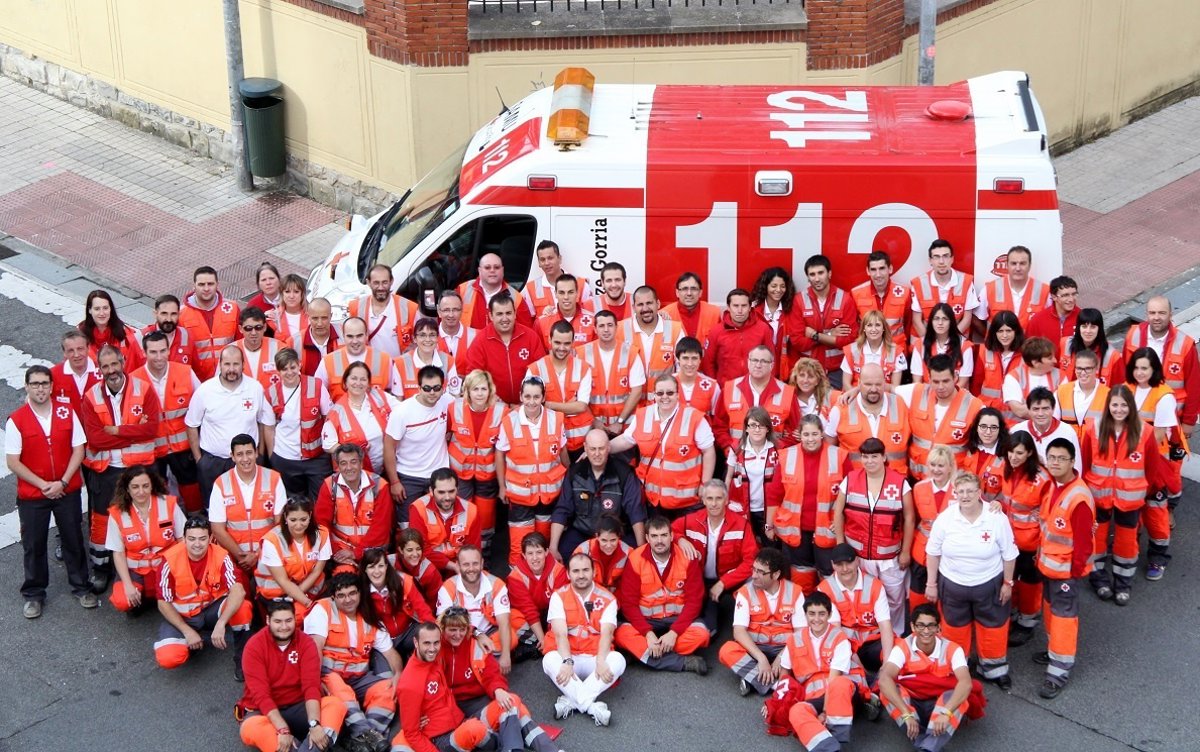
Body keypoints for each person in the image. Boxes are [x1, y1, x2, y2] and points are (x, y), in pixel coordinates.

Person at [7, 364, 94, 617]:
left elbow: (79, 449)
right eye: (35, 384)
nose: (40, 389)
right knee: (33, 545)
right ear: (26, 387)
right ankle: (34, 594)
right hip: (33, 496)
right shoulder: (17, 420)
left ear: (52, 386)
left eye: (44, 383)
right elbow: (13, 462)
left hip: (66, 491)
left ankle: (81, 587)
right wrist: (43, 485)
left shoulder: (67, 413)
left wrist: (63, 483)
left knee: (73, 540)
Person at [924, 471, 1018, 690]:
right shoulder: (945, 519)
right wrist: (931, 584)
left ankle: (994, 669)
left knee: (993, 627)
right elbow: (933, 552)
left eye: (970, 491)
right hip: (953, 585)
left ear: (979, 492)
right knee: (954, 628)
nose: (965, 496)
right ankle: (957, 668)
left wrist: (1008, 583)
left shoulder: (996, 518)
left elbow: (1009, 554)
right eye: (961, 492)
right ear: (955, 493)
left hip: (989, 584)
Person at [79, 345, 162, 591]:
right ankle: (101, 569)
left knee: (143, 516)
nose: (111, 370)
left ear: (123, 362)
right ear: (100, 369)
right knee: (102, 519)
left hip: (139, 469)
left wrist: (116, 431)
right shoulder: (91, 396)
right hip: (106, 470)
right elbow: (95, 439)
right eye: (105, 366)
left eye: (114, 364)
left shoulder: (143, 389)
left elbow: (151, 429)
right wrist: (133, 433)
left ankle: (144, 567)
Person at [1082, 384, 1165, 604]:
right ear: (1108, 406)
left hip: (1130, 498)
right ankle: (1098, 579)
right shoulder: (1094, 428)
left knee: (1126, 543)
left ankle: (1123, 583)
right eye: (1115, 405)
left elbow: (1152, 467)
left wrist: (1142, 489)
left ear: (1131, 406)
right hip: (1098, 494)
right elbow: (1085, 461)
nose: (1119, 410)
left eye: (1124, 405)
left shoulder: (1145, 431)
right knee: (1096, 539)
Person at [436, 607, 561, 751]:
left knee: (509, 703)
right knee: (515, 711)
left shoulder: (475, 643)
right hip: (453, 710)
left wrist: (498, 690)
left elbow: (492, 672)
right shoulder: (434, 647)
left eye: (462, 630)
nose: (458, 635)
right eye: (452, 630)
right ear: (442, 629)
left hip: (479, 702)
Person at [390, 622, 527, 752]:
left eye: (436, 643)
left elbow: (453, 623)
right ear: (416, 643)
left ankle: (512, 748)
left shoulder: (434, 657)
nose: (432, 649)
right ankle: (503, 742)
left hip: (460, 722)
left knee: (511, 700)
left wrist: (477, 633)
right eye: (426, 643)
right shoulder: (409, 684)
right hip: (441, 738)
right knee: (475, 729)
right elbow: (411, 734)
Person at [1123, 296, 1199, 527]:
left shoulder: (1185, 344)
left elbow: (1194, 385)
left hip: (1173, 422)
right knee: (1138, 465)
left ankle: (1168, 508)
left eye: (1161, 313)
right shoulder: (1133, 335)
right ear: (1146, 314)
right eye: (1152, 313)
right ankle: (1140, 508)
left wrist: (1189, 422)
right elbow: (1125, 374)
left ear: (1170, 315)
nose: (1156, 318)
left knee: (1171, 469)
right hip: (1140, 420)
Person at [304, 573, 400, 751]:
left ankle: (362, 739)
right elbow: (314, 649)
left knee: (387, 690)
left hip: (360, 677)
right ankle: (368, 736)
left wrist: (398, 675)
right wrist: (315, 681)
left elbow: (390, 653)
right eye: (341, 595)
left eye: (352, 593)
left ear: (360, 593)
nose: (348, 600)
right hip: (328, 674)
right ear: (333, 597)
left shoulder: (369, 617)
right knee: (342, 692)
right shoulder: (323, 609)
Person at [236, 599, 344, 752]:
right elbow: (261, 695)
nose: (284, 627)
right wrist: (282, 729)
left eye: (288, 620)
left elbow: (311, 687)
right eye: (278, 621)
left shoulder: (306, 643)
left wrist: (314, 724)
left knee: (335, 705)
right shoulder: (254, 646)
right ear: (268, 620)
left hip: (299, 705)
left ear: (295, 619)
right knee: (250, 728)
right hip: (264, 712)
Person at [1032, 438, 1095, 699]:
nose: (1055, 462)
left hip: (1065, 572)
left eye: (1061, 458)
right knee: (1051, 612)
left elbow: (1084, 543)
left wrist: (1074, 573)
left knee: (1063, 620)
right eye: (1052, 458)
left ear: (1072, 462)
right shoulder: (1054, 486)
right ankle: (1054, 652)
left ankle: (1058, 672)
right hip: (1050, 567)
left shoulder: (1078, 497)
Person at [832, 437, 914, 629]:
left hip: (889, 558)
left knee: (894, 599)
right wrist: (840, 544)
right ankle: (871, 634)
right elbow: (838, 512)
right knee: (865, 597)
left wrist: (905, 551)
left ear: (884, 457)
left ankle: (895, 634)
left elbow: (909, 518)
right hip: (859, 556)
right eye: (865, 457)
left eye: (874, 456)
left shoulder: (900, 483)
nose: (869, 461)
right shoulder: (850, 480)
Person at [765, 591, 862, 752]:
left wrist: (825, 712)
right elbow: (785, 673)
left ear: (829, 614)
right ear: (805, 615)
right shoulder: (794, 639)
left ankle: (835, 734)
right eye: (812, 614)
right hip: (814, 696)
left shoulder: (840, 638)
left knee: (839, 684)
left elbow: (834, 678)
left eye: (821, 614)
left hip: (842, 697)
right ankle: (829, 748)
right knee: (796, 711)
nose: (816, 619)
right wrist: (778, 700)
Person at [154, 515, 252, 673]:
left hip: (211, 613)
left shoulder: (221, 555)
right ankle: (192, 641)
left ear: (211, 538)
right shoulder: (169, 560)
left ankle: (243, 660)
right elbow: (163, 603)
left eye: (202, 539)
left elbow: (238, 590)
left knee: (243, 608)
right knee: (169, 657)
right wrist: (187, 631)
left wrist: (222, 623)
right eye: (191, 539)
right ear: (184, 539)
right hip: (184, 618)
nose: (197, 544)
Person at [610, 374, 717, 517]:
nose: (665, 397)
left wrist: (705, 484)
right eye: (660, 393)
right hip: (652, 499)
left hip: (687, 501)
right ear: (654, 395)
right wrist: (602, 448)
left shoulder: (694, 417)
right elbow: (626, 440)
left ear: (678, 394)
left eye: (670, 393)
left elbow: (709, 451)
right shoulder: (643, 415)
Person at [614, 516, 711, 674]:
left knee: (701, 634)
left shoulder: (687, 557)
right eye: (654, 536)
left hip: (677, 619)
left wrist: (674, 633)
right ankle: (683, 662)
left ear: (672, 536)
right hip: (646, 620)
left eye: (664, 535)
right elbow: (629, 604)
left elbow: (695, 601)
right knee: (621, 634)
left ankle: (641, 654)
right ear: (647, 538)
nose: (659, 541)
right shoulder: (635, 559)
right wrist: (648, 634)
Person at [877, 603, 975, 752]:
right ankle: (928, 743)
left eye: (931, 626)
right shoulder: (903, 647)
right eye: (921, 626)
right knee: (887, 691)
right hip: (912, 705)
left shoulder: (953, 649)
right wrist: (906, 714)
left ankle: (927, 747)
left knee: (959, 698)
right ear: (913, 627)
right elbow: (884, 679)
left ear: (938, 628)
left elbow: (966, 683)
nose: (926, 631)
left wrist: (946, 713)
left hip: (939, 706)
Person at [543, 552, 626, 725]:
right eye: (576, 571)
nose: (581, 575)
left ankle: (571, 701)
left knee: (618, 660)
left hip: (594, 658)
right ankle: (592, 707)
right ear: (568, 574)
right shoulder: (558, 596)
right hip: (568, 657)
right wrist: (567, 661)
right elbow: (560, 634)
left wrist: (601, 661)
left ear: (594, 572)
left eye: (585, 570)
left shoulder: (608, 599)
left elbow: (607, 634)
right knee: (549, 659)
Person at [185, 345, 276, 502]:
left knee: (248, 502)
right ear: (220, 365)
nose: (231, 369)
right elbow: (191, 425)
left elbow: (264, 421)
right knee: (213, 505)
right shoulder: (205, 391)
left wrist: (259, 454)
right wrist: (200, 460)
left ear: (243, 365)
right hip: (213, 462)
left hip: (247, 460)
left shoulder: (255, 388)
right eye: (227, 364)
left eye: (236, 364)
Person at [495, 376, 569, 564]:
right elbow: (500, 454)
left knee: (543, 545)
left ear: (543, 397)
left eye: (536, 397)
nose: (532, 402)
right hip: (520, 495)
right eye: (527, 396)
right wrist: (502, 487)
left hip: (549, 495)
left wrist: (570, 480)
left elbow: (563, 453)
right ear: (521, 396)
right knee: (519, 546)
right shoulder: (509, 421)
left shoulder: (556, 419)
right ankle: (517, 580)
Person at [773, 414, 848, 590]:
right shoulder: (787, 456)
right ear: (800, 435)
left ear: (822, 433)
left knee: (829, 576)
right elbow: (774, 494)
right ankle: (804, 605)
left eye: (814, 434)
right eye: (806, 434)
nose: (810, 439)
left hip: (828, 529)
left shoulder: (839, 456)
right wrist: (770, 524)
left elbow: (850, 492)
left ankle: (829, 606)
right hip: (796, 530)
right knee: (801, 574)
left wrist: (842, 518)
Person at [672, 480, 758, 632]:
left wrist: (723, 583)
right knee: (710, 628)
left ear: (726, 500)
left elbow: (751, 562)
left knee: (755, 579)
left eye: (718, 498)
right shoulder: (691, 520)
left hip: (729, 581)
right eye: (710, 498)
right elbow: (669, 530)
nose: (714, 504)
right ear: (703, 500)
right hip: (699, 581)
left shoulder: (741, 525)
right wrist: (680, 539)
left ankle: (756, 623)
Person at [550, 428, 646, 562]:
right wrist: (553, 547)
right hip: (582, 533)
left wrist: (641, 548)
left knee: (634, 559)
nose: (597, 454)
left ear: (608, 448)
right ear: (585, 448)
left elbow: (635, 512)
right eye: (592, 449)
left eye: (601, 449)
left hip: (615, 535)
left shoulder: (624, 474)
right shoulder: (575, 473)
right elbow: (562, 510)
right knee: (563, 553)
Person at [1126, 348, 1181, 580]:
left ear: (1154, 369)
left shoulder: (1164, 395)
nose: (1139, 372)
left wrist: (1133, 453)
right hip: (1129, 460)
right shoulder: (1127, 389)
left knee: (1155, 511)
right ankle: (1129, 549)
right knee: (1131, 508)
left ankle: (1158, 558)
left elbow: (1158, 434)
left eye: (1144, 368)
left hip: (1153, 462)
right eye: (1136, 368)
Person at [209, 434, 287, 594]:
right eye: (239, 454)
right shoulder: (221, 483)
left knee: (270, 598)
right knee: (240, 601)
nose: (245, 459)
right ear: (232, 456)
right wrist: (241, 557)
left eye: (249, 453)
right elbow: (217, 529)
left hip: (268, 555)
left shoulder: (274, 478)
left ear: (256, 452)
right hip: (234, 558)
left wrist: (258, 554)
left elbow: (281, 524)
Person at [135, 331, 203, 512]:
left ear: (168, 350)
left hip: (183, 447)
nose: (159, 357)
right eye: (153, 352)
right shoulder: (134, 380)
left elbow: (203, 404)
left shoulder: (185, 372)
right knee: (157, 494)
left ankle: (196, 520)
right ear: (144, 353)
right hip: (153, 450)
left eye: (162, 351)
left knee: (192, 489)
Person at [718, 548, 797, 696]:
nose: (754, 575)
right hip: (755, 648)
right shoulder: (745, 592)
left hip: (784, 648)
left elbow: (801, 633)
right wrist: (761, 658)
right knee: (727, 651)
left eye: (760, 572)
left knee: (804, 652)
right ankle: (776, 686)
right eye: (753, 569)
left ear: (776, 574)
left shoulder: (795, 592)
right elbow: (739, 632)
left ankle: (752, 679)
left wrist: (782, 657)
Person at [106, 465, 184, 613]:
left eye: (145, 486)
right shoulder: (117, 513)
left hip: (167, 566)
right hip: (136, 570)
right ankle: (145, 596)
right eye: (135, 487)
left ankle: (161, 594)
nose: (141, 492)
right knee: (122, 600)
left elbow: (183, 539)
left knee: (187, 594)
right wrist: (128, 586)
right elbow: (118, 553)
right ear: (127, 489)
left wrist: (184, 572)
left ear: (152, 485)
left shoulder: (169, 504)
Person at [997, 431, 1050, 647]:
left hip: (1031, 542)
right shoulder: (1006, 469)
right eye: (1011, 451)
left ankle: (1027, 622)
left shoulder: (1042, 478)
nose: (1013, 456)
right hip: (1009, 540)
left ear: (1029, 453)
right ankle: (1013, 614)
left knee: (1030, 584)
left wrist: (1042, 546)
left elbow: (1048, 513)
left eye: (1019, 453)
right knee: (1011, 579)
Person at [436, 546, 521, 675]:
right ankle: (480, 662)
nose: (471, 568)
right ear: (458, 565)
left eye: (475, 563)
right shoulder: (447, 588)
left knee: (512, 639)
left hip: (489, 633)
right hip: (460, 635)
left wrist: (506, 655)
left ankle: (476, 661)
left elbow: (504, 622)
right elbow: (443, 624)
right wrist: (477, 634)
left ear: (482, 563)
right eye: (466, 564)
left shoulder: (496, 584)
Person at [383, 364, 453, 520]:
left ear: (443, 388)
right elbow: (388, 447)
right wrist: (394, 482)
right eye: (427, 388)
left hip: (438, 475)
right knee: (407, 524)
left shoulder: (447, 401)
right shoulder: (402, 412)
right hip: (409, 476)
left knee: (438, 521)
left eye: (436, 388)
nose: (432, 392)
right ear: (419, 388)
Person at [448, 369, 505, 556]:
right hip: (460, 473)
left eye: (483, 389)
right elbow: (444, 436)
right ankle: (462, 553)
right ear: (467, 391)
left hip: (487, 474)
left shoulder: (502, 411)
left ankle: (484, 555)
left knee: (485, 516)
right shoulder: (453, 408)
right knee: (462, 514)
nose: (479, 394)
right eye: (475, 389)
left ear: (490, 390)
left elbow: (504, 447)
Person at [901, 354, 984, 479]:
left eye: (945, 381)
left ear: (955, 377)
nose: (940, 387)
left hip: (954, 481)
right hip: (918, 479)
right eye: (936, 382)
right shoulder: (916, 392)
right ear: (929, 379)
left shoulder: (974, 406)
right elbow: (886, 389)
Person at [460, 291, 547, 406]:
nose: (505, 318)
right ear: (491, 316)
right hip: (493, 406)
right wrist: (492, 399)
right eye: (499, 314)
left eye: (508, 313)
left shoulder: (531, 337)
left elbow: (542, 371)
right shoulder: (480, 341)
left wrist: (527, 402)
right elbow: (473, 377)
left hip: (528, 406)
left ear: (515, 314)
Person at [267, 348, 332, 499]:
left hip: (316, 457)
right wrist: (273, 457)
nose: (289, 372)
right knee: (293, 505)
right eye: (284, 369)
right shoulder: (271, 393)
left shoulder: (316, 385)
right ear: (278, 371)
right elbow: (268, 428)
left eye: (292, 367)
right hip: (285, 458)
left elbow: (329, 418)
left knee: (321, 500)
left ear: (299, 365)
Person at [818, 543, 893, 674]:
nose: (845, 568)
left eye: (849, 562)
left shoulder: (875, 585)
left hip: (872, 643)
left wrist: (887, 664)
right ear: (832, 565)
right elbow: (835, 632)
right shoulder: (824, 589)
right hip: (846, 645)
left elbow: (885, 625)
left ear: (857, 561)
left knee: (896, 651)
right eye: (839, 564)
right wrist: (856, 661)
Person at [712, 345, 801, 455]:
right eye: (754, 360)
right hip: (737, 456)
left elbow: (795, 432)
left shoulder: (787, 393)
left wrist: (776, 450)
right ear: (748, 362)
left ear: (772, 365)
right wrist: (728, 447)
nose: (758, 365)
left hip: (772, 459)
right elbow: (719, 426)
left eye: (764, 361)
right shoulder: (729, 389)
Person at [826, 363, 911, 477]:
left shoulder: (901, 404)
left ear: (885, 383)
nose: (873, 389)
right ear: (859, 383)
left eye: (878, 384)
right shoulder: (841, 409)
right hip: (854, 481)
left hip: (895, 482)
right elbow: (828, 449)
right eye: (868, 384)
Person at [788, 255, 859, 389]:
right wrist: (830, 334)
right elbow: (797, 341)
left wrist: (815, 335)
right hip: (807, 370)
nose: (817, 278)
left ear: (829, 274)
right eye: (812, 274)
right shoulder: (799, 300)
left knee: (836, 402)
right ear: (808, 278)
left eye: (821, 273)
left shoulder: (845, 299)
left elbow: (848, 340)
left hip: (837, 370)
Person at [314, 443, 393, 566]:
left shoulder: (380, 486)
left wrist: (357, 553)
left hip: (373, 553)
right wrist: (336, 552)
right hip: (340, 552)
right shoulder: (329, 486)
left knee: (376, 575)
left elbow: (381, 527)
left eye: (353, 462)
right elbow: (321, 525)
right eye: (343, 463)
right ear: (338, 466)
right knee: (344, 576)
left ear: (361, 464)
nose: (349, 467)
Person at [254, 498, 331, 620]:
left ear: (310, 516)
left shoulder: (322, 534)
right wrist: (308, 604)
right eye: (293, 520)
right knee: (299, 615)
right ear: (285, 517)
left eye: (303, 519)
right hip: (278, 594)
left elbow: (317, 571)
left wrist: (304, 599)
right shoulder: (272, 540)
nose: (298, 525)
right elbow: (283, 580)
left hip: (310, 590)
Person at [528, 320, 594, 455]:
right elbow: (531, 406)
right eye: (557, 342)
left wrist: (548, 404)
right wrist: (569, 406)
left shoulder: (583, 368)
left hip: (581, 441)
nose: (562, 348)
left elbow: (581, 406)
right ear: (549, 340)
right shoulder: (535, 370)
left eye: (566, 343)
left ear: (573, 342)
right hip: (550, 441)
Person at [576, 309, 645, 436]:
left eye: (610, 325)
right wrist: (593, 420)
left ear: (616, 327)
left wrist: (620, 421)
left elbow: (637, 391)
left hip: (625, 426)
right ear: (595, 329)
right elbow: (576, 392)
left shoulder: (630, 353)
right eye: (601, 326)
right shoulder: (581, 354)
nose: (606, 330)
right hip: (593, 426)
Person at [361, 548, 434, 661]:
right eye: (371, 567)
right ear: (365, 569)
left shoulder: (403, 581)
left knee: (428, 646)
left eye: (380, 566)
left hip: (408, 632)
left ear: (386, 566)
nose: (377, 571)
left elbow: (423, 610)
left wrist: (433, 634)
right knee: (385, 671)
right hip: (382, 640)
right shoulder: (360, 590)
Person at [908, 445, 957, 611]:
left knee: (946, 604)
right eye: (933, 465)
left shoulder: (960, 490)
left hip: (949, 554)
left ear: (950, 467)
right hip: (922, 553)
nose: (936, 470)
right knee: (918, 601)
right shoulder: (919, 488)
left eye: (941, 465)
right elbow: (913, 519)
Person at [322, 361, 394, 475]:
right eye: (354, 378)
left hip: (384, 471)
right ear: (345, 381)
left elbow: (402, 410)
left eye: (363, 379)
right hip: (353, 475)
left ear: (368, 383)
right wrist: (352, 451)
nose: (358, 383)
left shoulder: (379, 396)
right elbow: (328, 445)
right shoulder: (336, 412)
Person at [408, 468, 481, 576]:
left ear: (457, 489)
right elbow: (420, 549)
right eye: (441, 492)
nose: (447, 497)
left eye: (451, 491)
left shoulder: (471, 510)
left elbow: (473, 549)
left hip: (460, 563)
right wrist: (451, 565)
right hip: (429, 563)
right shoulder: (418, 509)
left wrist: (463, 567)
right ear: (431, 491)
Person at [725, 405, 783, 540]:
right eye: (752, 425)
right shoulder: (737, 449)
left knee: (770, 546)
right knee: (746, 546)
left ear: (768, 428)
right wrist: (725, 502)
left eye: (761, 426)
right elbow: (728, 478)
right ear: (746, 428)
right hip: (742, 508)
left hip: (769, 510)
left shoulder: (778, 450)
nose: (757, 430)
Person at [315, 317, 402, 402]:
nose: (355, 341)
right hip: (340, 411)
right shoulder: (328, 361)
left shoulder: (384, 360)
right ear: (343, 336)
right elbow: (317, 393)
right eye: (350, 336)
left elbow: (397, 394)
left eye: (359, 336)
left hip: (375, 411)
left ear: (366, 335)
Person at [507, 532, 569, 652]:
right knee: (511, 617)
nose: (535, 558)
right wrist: (542, 638)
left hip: (551, 613)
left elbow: (559, 607)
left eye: (539, 552)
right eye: (530, 553)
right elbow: (528, 609)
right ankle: (538, 643)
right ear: (524, 555)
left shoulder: (558, 570)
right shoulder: (515, 576)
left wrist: (551, 634)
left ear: (546, 552)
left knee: (568, 613)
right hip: (529, 618)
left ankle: (545, 643)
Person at [178, 266, 240, 381]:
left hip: (229, 377)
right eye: (201, 284)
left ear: (217, 285)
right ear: (194, 286)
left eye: (210, 284)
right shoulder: (181, 314)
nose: (206, 288)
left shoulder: (233, 308)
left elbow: (241, 343)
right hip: (198, 380)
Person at [702, 287, 774, 386]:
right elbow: (708, 363)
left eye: (744, 306)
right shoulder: (716, 331)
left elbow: (771, 360)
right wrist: (716, 387)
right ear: (728, 307)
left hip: (755, 388)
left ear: (750, 307)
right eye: (735, 306)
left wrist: (765, 385)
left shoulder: (763, 329)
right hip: (726, 388)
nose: (740, 310)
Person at [910, 239, 981, 337]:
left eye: (945, 256)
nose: (941, 261)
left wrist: (950, 342)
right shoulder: (919, 283)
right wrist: (931, 343)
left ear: (952, 259)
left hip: (956, 338)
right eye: (936, 257)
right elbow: (916, 321)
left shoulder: (966, 281)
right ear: (930, 261)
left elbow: (967, 319)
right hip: (926, 338)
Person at [347, 263, 418, 359]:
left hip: (400, 365)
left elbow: (420, 338)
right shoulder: (355, 307)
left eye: (384, 282)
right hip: (369, 365)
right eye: (376, 283)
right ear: (368, 282)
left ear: (391, 281)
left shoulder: (409, 307)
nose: (380, 287)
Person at [619, 285, 685, 385]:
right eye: (640, 304)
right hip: (632, 394)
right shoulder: (620, 329)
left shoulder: (675, 329)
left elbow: (682, 368)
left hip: (663, 394)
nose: (645, 308)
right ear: (633, 307)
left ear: (658, 304)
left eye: (649, 303)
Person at [850, 250, 911, 351]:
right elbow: (854, 328)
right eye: (873, 269)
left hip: (896, 350)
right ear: (868, 271)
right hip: (868, 351)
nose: (878, 274)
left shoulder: (904, 293)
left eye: (882, 268)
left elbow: (909, 326)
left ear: (890, 269)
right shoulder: (856, 294)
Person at [457, 252, 535, 331]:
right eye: (487, 267)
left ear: (502, 270)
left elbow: (526, 332)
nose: (492, 270)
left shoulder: (516, 298)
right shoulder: (462, 290)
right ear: (479, 270)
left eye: (497, 267)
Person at [1010, 387, 1081, 472]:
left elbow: (1076, 469)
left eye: (1045, 408)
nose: (1040, 414)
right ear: (1028, 410)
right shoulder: (1016, 430)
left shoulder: (1068, 432)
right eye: (1036, 409)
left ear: (1053, 409)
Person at [980, 245, 1051, 329]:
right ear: (1007, 265)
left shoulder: (1045, 291)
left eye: (1022, 263)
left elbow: (1053, 321)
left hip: (1031, 338)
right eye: (1013, 263)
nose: (1018, 268)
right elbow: (978, 318)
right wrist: (991, 336)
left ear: (1029, 265)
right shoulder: (990, 289)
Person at [972, 311, 1024, 417]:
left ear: (1016, 331)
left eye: (1008, 331)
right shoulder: (984, 351)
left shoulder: (1026, 354)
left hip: (1015, 416)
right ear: (994, 333)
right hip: (989, 414)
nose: (1004, 335)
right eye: (1000, 331)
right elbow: (976, 385)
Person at [910, 304, 973, 389]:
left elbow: (963, 382)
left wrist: (944, 394)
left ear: (951, 322)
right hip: (927, 394)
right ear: (931, 321)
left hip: (955, 393)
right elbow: (917, 382)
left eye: (945, 319)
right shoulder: (920, 344)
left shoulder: (964, 345)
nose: (940, 323)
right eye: (936, 319)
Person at [750, 266, 797, 380]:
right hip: (759, 369)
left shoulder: (792, 310)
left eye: (782, 286)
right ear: (765, 286)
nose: (778, 290)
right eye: (774, 286)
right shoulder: (753, 310)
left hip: (785, 371)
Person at [81, 289, 145, 370]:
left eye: (105, 308)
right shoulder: (80, 335)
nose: (102, 313)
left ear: (111, 309)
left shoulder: (129, 334)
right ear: (89, 310)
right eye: (97, 309)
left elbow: (140, 366)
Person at [396, 317, 460, 398]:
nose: (427, 339)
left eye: (432, 335)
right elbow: (398, 400)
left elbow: (455, 396)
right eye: (422, 335)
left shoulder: (448, 361)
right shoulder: (400, 363)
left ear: (437, 338)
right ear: (414, 338)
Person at [842, 310, 906, 388]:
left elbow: (895, 387)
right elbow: (846, 384)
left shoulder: (896, 352)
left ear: (883, 328)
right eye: (869, 325)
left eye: (878, 325)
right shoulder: (851, 350)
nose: (874, 329)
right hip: (856, 394)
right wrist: (858, 395)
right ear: (864, 328)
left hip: (884, 394)